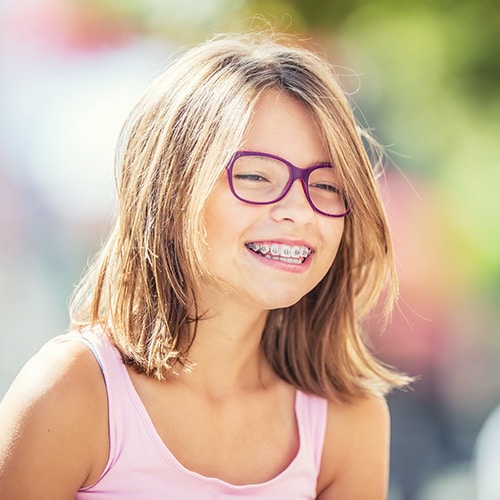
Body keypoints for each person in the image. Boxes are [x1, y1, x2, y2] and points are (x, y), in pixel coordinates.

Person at [0, 31, 411, 499]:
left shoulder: (347, 419)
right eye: (255, 176)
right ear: (172, 191)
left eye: (327, 185)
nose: (300, 211)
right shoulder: (71, 394)